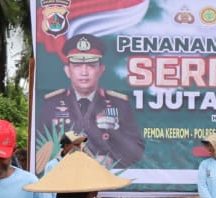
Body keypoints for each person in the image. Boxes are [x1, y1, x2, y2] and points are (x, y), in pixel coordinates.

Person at [37, 34, 145, 167]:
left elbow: (136, 149)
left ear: (101, 70)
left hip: (105, 181)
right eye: (77, 66)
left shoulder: (119, 104)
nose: (84, 72)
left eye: (91, 65)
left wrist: (111, 160)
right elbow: (40, 145)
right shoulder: (52, 104)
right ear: (67, 71)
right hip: (65, 180)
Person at [35, 130, 89, 198]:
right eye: (76, 145)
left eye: (79, 145)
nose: (79, 148)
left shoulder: (85, 164)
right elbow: (47, 193)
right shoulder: (52, 165)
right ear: (66, 146)